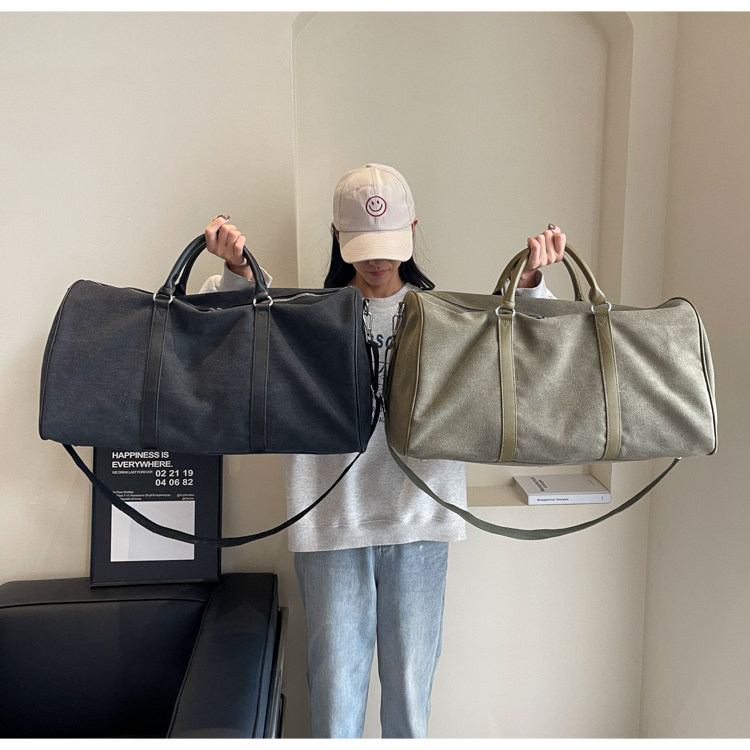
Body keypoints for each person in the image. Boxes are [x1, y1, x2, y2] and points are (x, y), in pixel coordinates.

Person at [201, 163, 565, 738]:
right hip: (330, 524)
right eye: (363, 248)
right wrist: (237, 270)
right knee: (335, 701)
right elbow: (228, 332)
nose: (376, 262)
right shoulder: (307, 316)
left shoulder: (445, 317)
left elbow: (530, 356)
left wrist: (531, 285)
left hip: (421, 520)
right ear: (337, 236)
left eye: (389, 247)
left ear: (413, 230)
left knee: (410, 703)